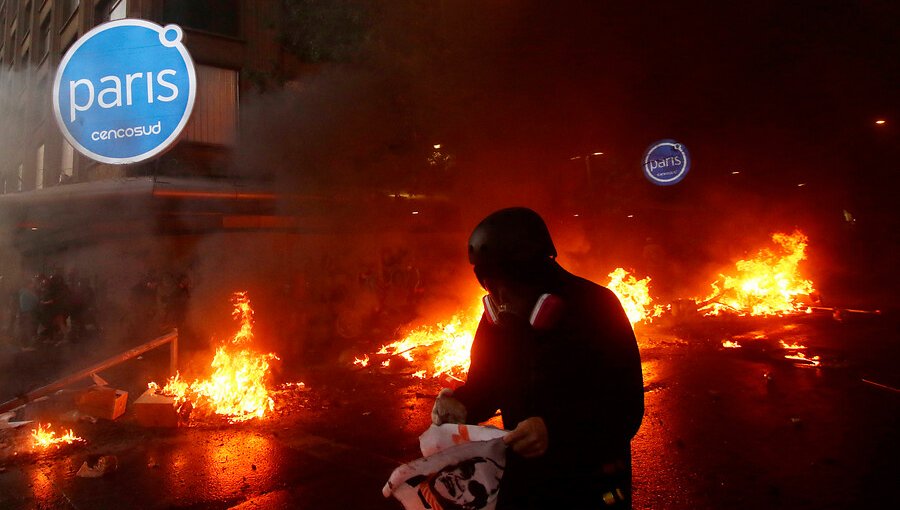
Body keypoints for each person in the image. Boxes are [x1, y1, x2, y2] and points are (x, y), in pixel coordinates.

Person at [431, 207, 644, 509]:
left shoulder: (597, 306)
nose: (499, 298)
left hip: (591, 481)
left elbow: (626, 408)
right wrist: (464, 402)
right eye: (490, 285)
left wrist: (554, 430)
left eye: (505, 283)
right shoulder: (498, 317)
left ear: (533, 270)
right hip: (524, 480)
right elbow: (487, 381)